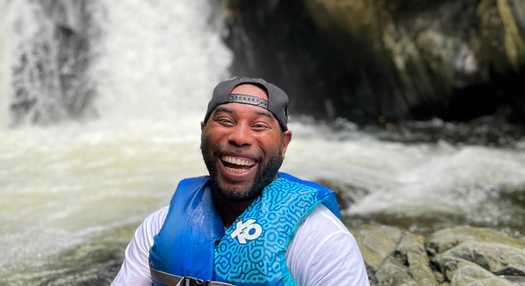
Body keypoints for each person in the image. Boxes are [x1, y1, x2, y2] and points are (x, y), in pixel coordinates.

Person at [110, 77, 370, 286]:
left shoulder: (321, 240)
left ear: (284, 144)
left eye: (259, 126)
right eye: (225, 121)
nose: (240, 137)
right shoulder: (157, 227)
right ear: (203, 132)